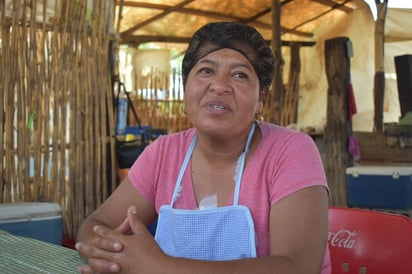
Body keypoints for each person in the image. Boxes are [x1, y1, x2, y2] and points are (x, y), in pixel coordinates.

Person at [75, 21, 331, 274]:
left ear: (261, 99)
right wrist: (110, 255)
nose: (219, 86)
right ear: (186, 87)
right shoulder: (163, 154)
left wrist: (159, 266)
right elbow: (94, 226)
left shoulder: (290, 151)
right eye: (206, 71)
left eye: (240, 74)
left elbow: (298, 267)